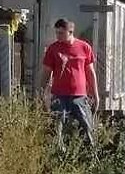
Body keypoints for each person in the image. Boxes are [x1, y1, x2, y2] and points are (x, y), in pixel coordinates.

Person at [40, 17, 98, 148]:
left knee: (87, 127)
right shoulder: (53, 49)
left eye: (61, 33)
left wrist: (95, 93)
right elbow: (46, 72)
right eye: (57, 33)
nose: (58, 36)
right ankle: (59, 157)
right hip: (59, 95)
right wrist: (42, 92)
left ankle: (91, 158)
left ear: (70, 32)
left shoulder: (84, 47)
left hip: (79, 96)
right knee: (56, 129)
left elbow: (90, 72)